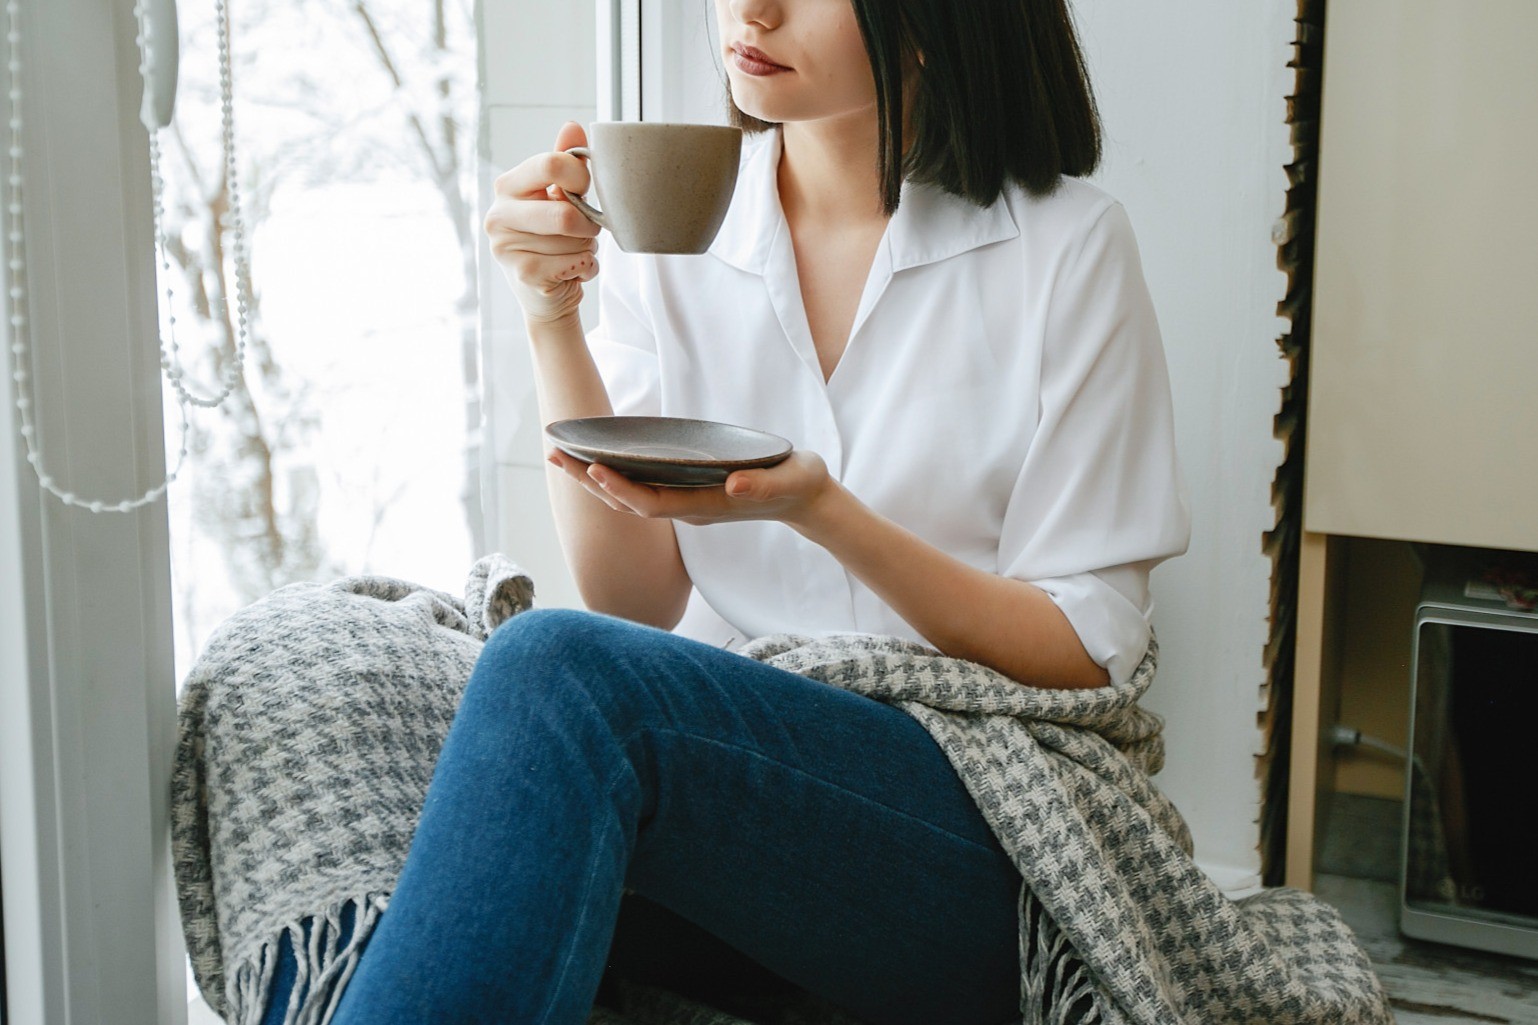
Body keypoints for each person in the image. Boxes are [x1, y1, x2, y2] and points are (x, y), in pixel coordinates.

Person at [277, 1, 1189, 1022]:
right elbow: (634, 598)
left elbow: (1082, 646)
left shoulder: (1063, 247)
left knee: (547, 668)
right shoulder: (670, 226)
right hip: (728, 799)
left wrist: (821, 510)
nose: (750, 9)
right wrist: (552, 313)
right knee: (314, 681)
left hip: (970, 817)